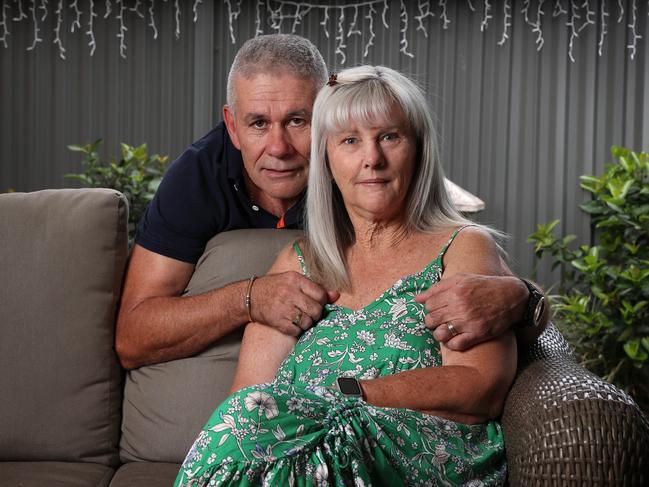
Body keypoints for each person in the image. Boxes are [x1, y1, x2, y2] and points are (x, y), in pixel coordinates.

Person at [174, 66, 519, 486]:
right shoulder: (299, 264)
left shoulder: (462, 246)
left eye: (389, 136)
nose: (372, 158)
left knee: (328, 444)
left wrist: (349, 396)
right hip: (299, 462)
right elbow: (246, 405)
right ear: (327, 159)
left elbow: (479, 386)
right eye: (350, 141)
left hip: (422, 454)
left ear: (419, 149)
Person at [116, 34, 547, 371]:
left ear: (331, 117)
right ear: (232, 125)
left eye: (298, 121)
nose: (279, 147)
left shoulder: (367, 171)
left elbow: (463, 258)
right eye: (258, 123)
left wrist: (520, 297)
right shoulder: (196, 178)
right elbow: (132, 339)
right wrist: (248, 298)